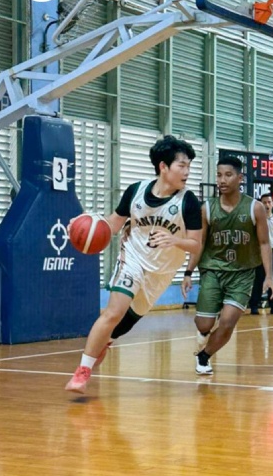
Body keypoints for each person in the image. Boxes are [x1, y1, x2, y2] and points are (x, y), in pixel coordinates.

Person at [65, 136, 202, 394]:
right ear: (164, 167)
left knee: (121, 326)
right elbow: (113, 225)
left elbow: (196, 244)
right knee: (113, 312)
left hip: (159, 276)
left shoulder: (188, 201)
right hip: (132, 260)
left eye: (189, 166)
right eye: (181, 166)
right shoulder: (136, 191)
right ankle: (82, 372)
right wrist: (84, 224)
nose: (187, 172)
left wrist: (174, 239)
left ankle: (103, 345)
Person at [182, 156, 273, 375]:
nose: (222, 180)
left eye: (228, 175)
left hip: (243, 273)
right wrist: (188, 272)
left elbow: (265, 243)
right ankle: (205, 332)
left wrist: (269, 276)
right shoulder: (207, 208)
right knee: (204, 324)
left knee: (227, 322)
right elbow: (199, 243)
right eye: (218, 175)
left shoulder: (255, 208)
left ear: (240, 178)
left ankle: (204, 356)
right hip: (213, 271)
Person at [248, 192, 273, 315]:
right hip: (262, 252)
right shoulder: (257, 220)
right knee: (259, 279)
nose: (267, 205)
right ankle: (254, 305)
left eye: (269, 202)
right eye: (264, 202)